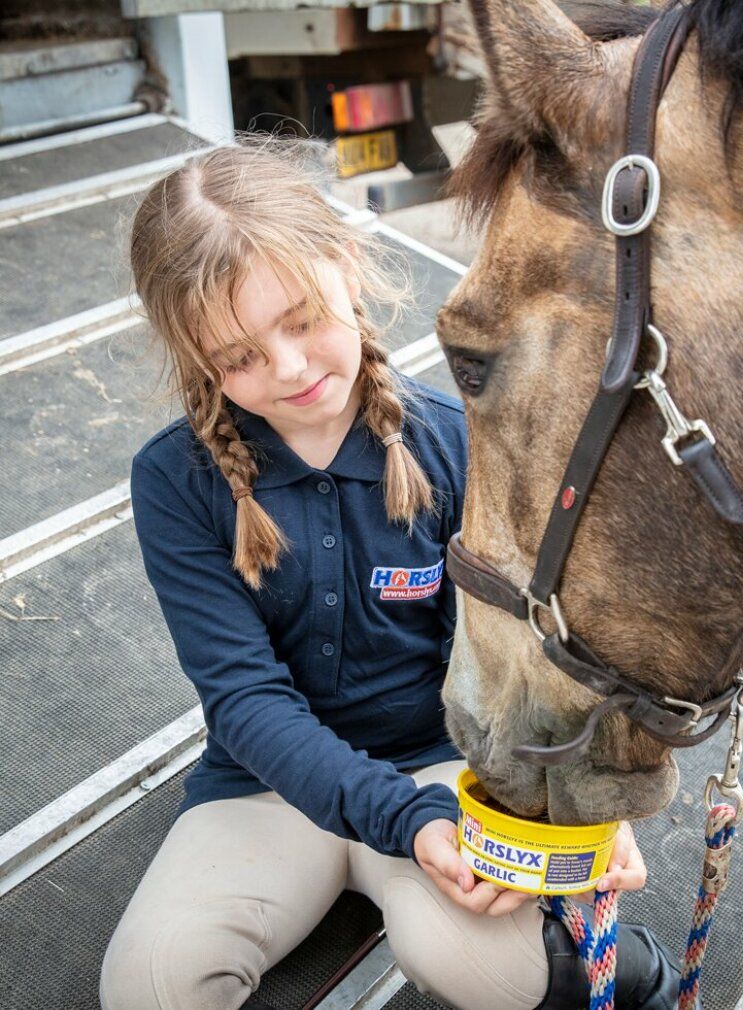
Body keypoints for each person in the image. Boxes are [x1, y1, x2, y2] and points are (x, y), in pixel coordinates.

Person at [99, 138, 686, 1010]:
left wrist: (583, 813)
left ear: (348, 265)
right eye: (239, 358)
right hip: (269, 786)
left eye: (301, 321)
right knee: (147, 987)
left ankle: (635, 973)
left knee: (486, 973)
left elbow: (530, 653)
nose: (289, 370)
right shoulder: (174, 481)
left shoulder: (457, 440)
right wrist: (397, 823)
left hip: (446, 776)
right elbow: (245, 700)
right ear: (195, 357)